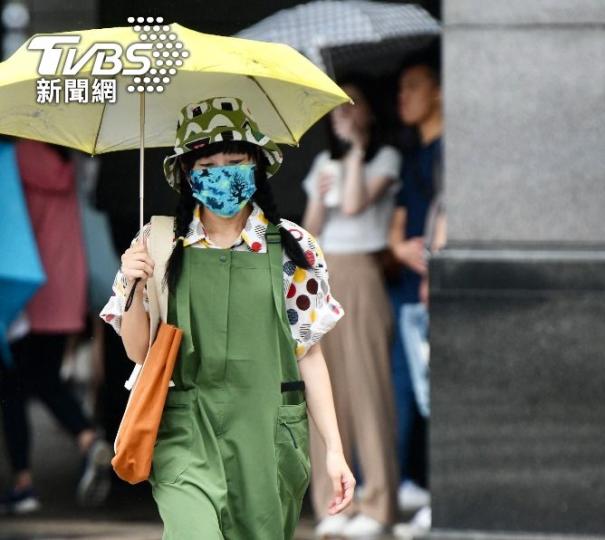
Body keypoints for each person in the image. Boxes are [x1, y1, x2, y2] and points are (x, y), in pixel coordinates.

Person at [99, 97, 355, 539]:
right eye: (208, 164)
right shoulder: (158, 245)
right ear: (186, 174)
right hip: (185, 429)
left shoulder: (294, 247)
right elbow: (138, 351)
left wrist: (334, 449)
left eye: (235, 161)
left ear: (256, 165)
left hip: (268, 435)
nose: (223, 174)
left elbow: (309, 356)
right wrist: (134, 282)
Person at [301, 80, 401, 538]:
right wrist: (322, 195)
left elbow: (358, 204)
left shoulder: (384, 158)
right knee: (326, 393)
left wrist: (357, 150)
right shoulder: (324, 163)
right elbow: (308, 231)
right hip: (323, 275)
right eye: (336, 106)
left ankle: (378, 506)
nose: (342, 112)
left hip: (362, 273)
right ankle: (331, 506)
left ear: (369, 112)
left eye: (351, 103)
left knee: (368, 390)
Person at [1, 139, 112, 514]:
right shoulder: (69, 158)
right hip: (66, 286)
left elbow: (14, 224)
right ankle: (86, 438)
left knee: (13, 385)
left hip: (27, 291)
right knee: (43, 376)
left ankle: (23, 482)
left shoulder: (15, 157)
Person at [388, 46, 443, 534]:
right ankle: (413, 485)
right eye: (400, 88)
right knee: (410, 393)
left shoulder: (452, 153)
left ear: (440, 92)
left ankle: (436, 493)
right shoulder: (412, 156)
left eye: (414, 87)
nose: (402, 97)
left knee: (435, 395)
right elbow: (395, 232)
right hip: (410, 291)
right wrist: (406, 249)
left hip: (438, 293)